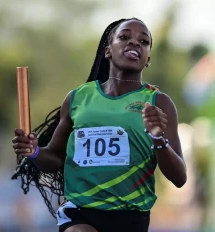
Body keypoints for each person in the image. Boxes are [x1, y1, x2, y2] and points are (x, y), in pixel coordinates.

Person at [11, 18, 187, 232]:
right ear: (108, 51)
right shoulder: (78, 98)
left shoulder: (158, 103)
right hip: (80, 211)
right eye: (124, 37)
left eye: (144, 41)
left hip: (131, 217)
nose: (134, 43)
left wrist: (158, 138)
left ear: (148, 57)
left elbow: (179, 178)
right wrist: (35, 152)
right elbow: (55, 158)